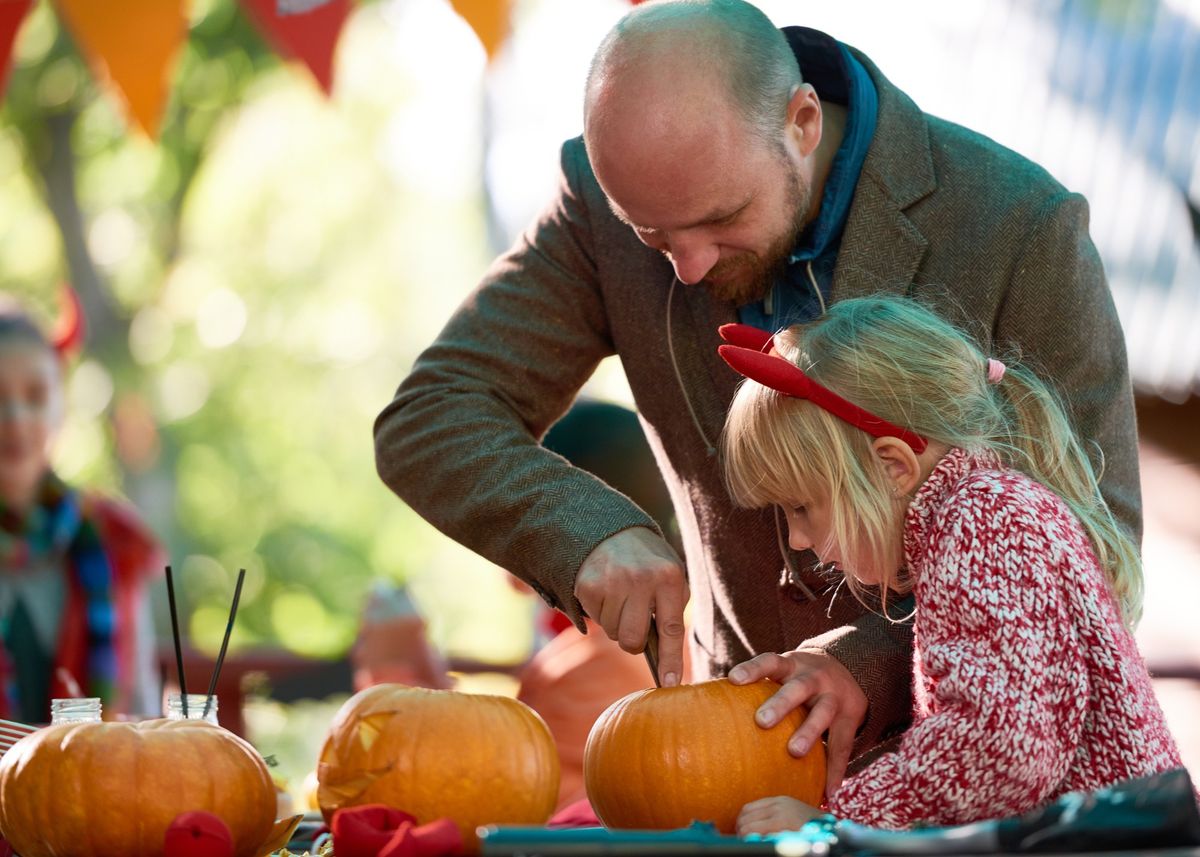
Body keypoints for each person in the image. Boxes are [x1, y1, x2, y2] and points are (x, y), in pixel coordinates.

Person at [374, 0, 1141, 792]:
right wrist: (588, 532)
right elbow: (432, 416)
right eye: (654, 238)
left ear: (803, 121)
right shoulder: (600, 203)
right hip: (723, 775)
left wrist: (864, 665)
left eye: (721, 220)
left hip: (974, 801)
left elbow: (1094, 553)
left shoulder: (1020, 224)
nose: (690, 270)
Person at [718, 295, 1183, 831]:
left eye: (801, 507)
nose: (797, 539)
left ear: (893, 465)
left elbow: (1002, 748)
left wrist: (840, 823)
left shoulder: (984, 520)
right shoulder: (978, 515)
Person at [0, 294, 164, 722]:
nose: (15, 418)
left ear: (60, 408)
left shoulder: (115, 541)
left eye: (35, 396)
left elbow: (143, 708)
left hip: (91, 782)